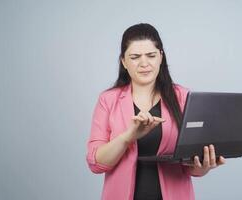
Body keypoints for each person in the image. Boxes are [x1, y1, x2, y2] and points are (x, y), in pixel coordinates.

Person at [86, 23, 226, 200]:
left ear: (161, 57)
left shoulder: (183, 97)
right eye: (135, 57)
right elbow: (96, 163)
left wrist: (205, 164)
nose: (144, 63)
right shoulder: (108, 100)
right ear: (124, 62)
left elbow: (191, 168)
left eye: (151, 55)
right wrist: (128, 136)